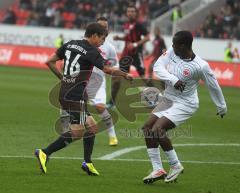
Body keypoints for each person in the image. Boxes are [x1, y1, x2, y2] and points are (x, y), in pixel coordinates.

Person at [34, 23, 132, 175]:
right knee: (77, 133)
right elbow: (107, 69)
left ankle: (88, 162)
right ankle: (45, 152)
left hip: (68, 92)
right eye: (102, 38)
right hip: (75, 96)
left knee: (92, 127)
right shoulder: (92, 51)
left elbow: (49, 61)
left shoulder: (70, 44)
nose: (103, 42)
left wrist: (62, 77)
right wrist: (125, 74)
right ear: (93, 35)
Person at [142, 31, 227, 184]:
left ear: (183, 46)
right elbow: (157, 66)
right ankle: (158, 169)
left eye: (174, 44)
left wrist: (221, 106)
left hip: (185, 104)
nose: (171, 47)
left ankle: (175, 165)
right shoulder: (172, 52)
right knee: (147, 127)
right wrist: (173, 79)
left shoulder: (201, 66)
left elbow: (213, 85)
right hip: (168, 98)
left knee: (157, 130)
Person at [107, 4, 150, 108]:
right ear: (126, 13)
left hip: (136, 54)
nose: (130, 13)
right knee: (117, 78)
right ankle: (111, 102)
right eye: (129, 11)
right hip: (126, 55)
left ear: (136, 13)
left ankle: (157, 97)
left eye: (132, 11)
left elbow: (148, 37)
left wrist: (135, 44)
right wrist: (120, 38)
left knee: (144, 77)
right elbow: (128, 37)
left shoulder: (139, 24)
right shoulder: (126, 24)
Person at [87, 17, 119, 146]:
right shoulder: (86, 43)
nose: (103, 28)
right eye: (100, 26)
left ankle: (112, 135)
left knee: (100, 107)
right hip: (82, 80)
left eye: (105, 27)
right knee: (72, 108)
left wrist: (116, 73)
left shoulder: (110, 48)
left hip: (98, 82)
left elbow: (114, 64)